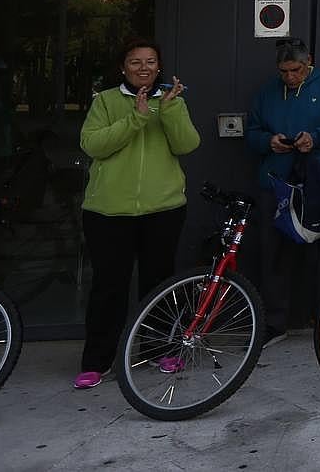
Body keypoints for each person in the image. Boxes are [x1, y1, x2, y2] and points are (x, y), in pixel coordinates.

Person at [76, 37, 199, 389]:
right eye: (135, 62)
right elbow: (93, 145)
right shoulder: (106, 101)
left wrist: (170, 110)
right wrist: (136, 119)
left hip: (163, 209)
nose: (143, 68)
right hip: (108, 212)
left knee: (159, 283)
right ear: (123, 67)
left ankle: (162, 349)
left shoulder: (173, 101)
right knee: (108, 287)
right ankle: (96, 361)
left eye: (150, 62)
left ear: (159, 67)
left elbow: (187, 144)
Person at [246, 37, 320, 347]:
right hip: (277, 182)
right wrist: (267, 142)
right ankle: (274, 322)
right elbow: (251, 132)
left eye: (295, 70)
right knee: (273, 254)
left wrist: (317, 138)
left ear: (308, 61)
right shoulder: (268, 91)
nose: (289, 77)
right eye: (283, 71)